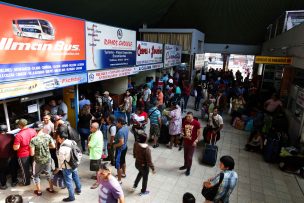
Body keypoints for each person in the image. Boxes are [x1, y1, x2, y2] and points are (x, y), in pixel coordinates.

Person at [30, 125, 55, 196]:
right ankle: (51, 189)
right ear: (42, 129)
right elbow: (53, 146)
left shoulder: (33, 139)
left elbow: (32, 154)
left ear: (35, 130)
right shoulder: (48, 136)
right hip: (47, 159)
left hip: (38, 161)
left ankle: (39, 191)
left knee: (36, 175)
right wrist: (46, 146)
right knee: (48, 173)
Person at [56, 132, 82, 202]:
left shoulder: (62, 148)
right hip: (74, 164)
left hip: (67, 167)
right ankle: (79, 189)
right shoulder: (72, 142)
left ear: (63, 138)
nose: (58, 140)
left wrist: (59, 169)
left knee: (69, 182)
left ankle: (71, 197)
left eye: (58, 138)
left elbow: (61, 160)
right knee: (76, 177)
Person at [13, 119, 37, 186]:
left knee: (25, 169)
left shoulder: (19, 135)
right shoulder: (33, 131)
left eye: (18, 124)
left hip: (23, 154)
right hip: (33, 151)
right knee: (34, 167)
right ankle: (36, 179)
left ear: (20, 125)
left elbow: (16, 148)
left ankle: (26, 182)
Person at [0, 125, 18, 190]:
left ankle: (3, 185)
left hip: (2, 157)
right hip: (11, 156)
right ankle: (14, 182)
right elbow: (15, 145)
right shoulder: (11, 136)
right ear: (6, 129)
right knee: (13, 169)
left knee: (2, 171)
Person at [88, 122, 104, 189]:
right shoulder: (99, 132)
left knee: (97, 169)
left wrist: (88, 140)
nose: (90, 128)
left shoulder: (95, 136)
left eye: (91, 127)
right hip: (98, 153)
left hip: (95, 154)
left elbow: (89, 145)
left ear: (95, 128)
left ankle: (98, 181)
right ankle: (98, 177)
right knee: (97, 167)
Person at [114, 117, 129, 184]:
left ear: (120, 123)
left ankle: (119, 180)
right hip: (125, 148)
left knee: (118, 165)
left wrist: (114, 146)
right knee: (123, 161)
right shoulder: (126, 128)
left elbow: (121, 142)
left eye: (117, 122)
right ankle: (124, 174)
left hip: (120, 149)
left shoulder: (120, 131)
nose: (116, 124)